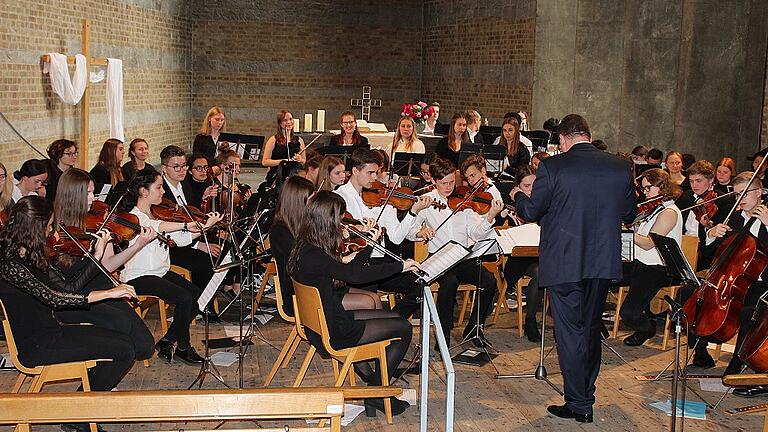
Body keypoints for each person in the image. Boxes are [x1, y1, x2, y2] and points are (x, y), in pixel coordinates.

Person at [512, 114, 636, 423]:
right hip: (602, 263)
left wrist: (516, 195)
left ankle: (579, 403)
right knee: (591, 330)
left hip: (565, 262)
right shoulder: (619, 167)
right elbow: (629, 213)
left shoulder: (553, 167)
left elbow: (532, 210)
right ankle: (585, 396)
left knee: (569, 333)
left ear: (563, 139)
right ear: (588, 135)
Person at [0, 196, 138, 432]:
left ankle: (78, 411)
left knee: (125, 343)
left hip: (49, 331)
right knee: (124, 351)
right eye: (49, 225)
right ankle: (78, 415)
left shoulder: (28, 253)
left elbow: (68, 285)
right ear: (36, 228)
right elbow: (56, 298)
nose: (52, 230)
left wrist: (96, 252)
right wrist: (109, 294)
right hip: (36, 345)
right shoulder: (12, 265)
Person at [288, 191, 419, 417]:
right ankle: (377, 393)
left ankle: (375, 385)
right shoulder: (316, 256)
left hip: (321, 324)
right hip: (334, 331)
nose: (342, 223)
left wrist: (369, 243)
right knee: (404, 328)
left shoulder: (305, 246)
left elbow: (348, 272)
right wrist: (401, 266)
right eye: (338, 218)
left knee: (393, 319)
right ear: (326, 220)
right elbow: (356, 276)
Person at [117, 171, 222, 365]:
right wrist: (186, 224)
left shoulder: (157, 212)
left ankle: (167, 341)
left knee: (197, 297)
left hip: (159, 272)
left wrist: (205, 226)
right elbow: (156, 227)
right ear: (143, 191)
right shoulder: (134, 217)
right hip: (138, 276)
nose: (163, 191)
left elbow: (182, 240)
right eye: (158, 187)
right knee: (183, 298)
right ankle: (183, 347)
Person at [52, 168, 155, 361]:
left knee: (145, 347)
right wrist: (94, 254)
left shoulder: (98, 222)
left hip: (104, 288)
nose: (93, 198)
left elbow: (108, 265)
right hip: (78, 298)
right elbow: (62, 283)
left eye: (93, 192)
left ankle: (110, 356)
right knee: (123, 331)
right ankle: (102, 370)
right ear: (72, 196)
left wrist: (137, 246)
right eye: (88, 193)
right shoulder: (55, 229)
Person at [408, 157, 503, 345]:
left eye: (452, 181)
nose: (449, 187)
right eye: (444, 183)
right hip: (439, 258)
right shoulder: (426, 203)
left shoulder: (463, 199)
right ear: (434, 181)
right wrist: (421, 232)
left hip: (462, 257)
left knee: (489, 281)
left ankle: (474, 329)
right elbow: (410, 232)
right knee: (449, 283)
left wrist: (490, 216)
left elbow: (476, 232)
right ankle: (443, 336)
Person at [335, 148, 432, 319]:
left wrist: (413, 212)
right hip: (358, 263)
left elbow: (395, 238)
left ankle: (393, 320)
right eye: (370, 173)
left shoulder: (383, 195)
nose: (375, 178)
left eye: (377, 172)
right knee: (369, 301)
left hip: (381, 261)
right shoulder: (340, 198)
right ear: (356, 171)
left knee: (421, 286)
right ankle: (381, 328)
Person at [271, 176, 382, 315]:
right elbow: (311, 263)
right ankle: (352, 332)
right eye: (312, 199)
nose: (315, 204)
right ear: (298, 203)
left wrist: (350, 235)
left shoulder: (305, 225)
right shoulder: (281, 232)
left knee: (374, 296)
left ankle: (374, 333)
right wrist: (341, 259)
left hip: (323, 284)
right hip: (303, 294)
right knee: (368, 300)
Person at [704, 171, 768, 397]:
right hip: (736, 279)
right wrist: (711, 233)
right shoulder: (735, 217)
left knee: (748, 310)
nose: (739, 199)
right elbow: (715, 253)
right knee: (695, 296)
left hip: (763, 282)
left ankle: (738, 361)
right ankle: (701, 354)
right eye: (736, 194)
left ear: (759, 192)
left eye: (744, 193)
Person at [619, 169, 682, 347]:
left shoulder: (669, 212)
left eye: (648, 188)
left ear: (661, 187)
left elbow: (648, 243)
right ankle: (595, 326)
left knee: (629, 313)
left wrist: (624, 230)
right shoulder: (653, 209)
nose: (644, 193)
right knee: (598, 279)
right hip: (638, 262)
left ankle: (647, 328)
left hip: (658, 268)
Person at [159, 146, 221, 292]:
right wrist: (198, 245)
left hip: (190, 238)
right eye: (176, 167)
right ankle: (201, 302)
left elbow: (191, 215)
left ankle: (214, 293)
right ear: (164, 168)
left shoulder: (185, 185)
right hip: (172, 247)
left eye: (184, 166)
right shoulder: (161, 194)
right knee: (206, 262)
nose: (182, 170)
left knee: (225, 248)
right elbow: (168, 234)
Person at [503, 166, 542, 342]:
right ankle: (531, 321)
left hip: (540, 255)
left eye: (535, 185)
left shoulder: (543, 204)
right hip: (517, 259)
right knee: (540, 273)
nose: (531, 190)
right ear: (517, 187)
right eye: (526, 186)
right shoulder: (509, 205)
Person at [675, 160, 734, 270]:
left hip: (706, 256)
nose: (694, 185)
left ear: (711, 179)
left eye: (699, 181)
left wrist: (707, 227)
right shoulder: (687, 196)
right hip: (683, 248)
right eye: (691, 181)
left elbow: (723, 239)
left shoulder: (723, 200)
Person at [262, 110, 306, 185]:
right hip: (278, 175)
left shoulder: (299, 140)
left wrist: (300, 159)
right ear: (280, 123)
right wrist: (283, 161)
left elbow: (304, 161)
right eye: (285, 120)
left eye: (291, 119)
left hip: (295, 175)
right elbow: (265, 162)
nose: (289, 122)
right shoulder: (273, 140)